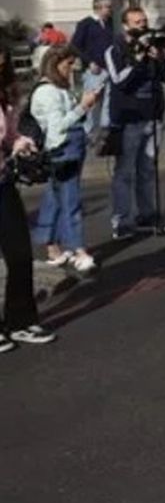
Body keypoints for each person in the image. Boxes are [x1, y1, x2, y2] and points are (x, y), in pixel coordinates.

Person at [105, 5, 165, 239]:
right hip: (129, 119)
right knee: (124, 172)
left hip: (153, 117)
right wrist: (136, 60)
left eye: (144, 21)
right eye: (137, 22)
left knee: (148, 170)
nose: (142, 26)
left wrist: (158, 60)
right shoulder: (115, 49)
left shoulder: (152, 46)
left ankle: (148, 214)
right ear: (125, 25)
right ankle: (122, 221)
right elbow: (119, 81)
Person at [2, 58, 58, 350]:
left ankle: (20, 321)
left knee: (20, 254)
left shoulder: (6, 96)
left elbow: (9, 134)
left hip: (3, 183)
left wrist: (21, 142)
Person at [30, 46, 100, 273]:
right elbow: (57, 126)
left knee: (56, 196)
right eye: (68, 64)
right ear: (54, 63)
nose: (71, 69)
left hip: (70, 145)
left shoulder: (58, 89)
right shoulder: (48, 91)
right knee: (70, 199)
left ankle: (53, 247)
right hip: (62, 148)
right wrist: (83, 107)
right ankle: (77, 249)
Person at [71, 0, 115, 135]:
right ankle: (88, 131)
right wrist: (88, 62)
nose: (109, 10)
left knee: (108, 101)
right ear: (98, 7)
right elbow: (75, 46)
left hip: (108, 67)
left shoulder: (109, 23)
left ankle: (105, 128)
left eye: (110, 7)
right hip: (94, 69)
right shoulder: (86, 24)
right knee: (92, 101)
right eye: (107, 7)